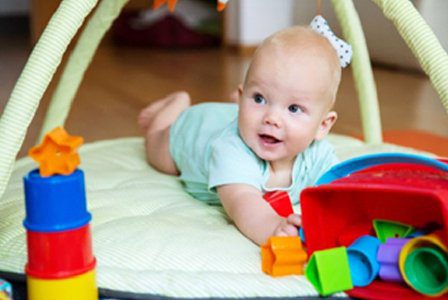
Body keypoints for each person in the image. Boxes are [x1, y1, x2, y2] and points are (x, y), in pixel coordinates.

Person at [138, 23, 348, 246]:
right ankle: (176, 103)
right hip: (191, 130)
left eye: (294, 108)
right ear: (242, 96)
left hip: (230, 117)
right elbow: (244, 204)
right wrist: (274, 227)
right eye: (259, 98)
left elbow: (342, 190)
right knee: (157, 153)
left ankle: (242, 104)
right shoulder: (231, 150)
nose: (272, 118)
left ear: (322, 126)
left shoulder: (318, 155)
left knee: (253, 119)